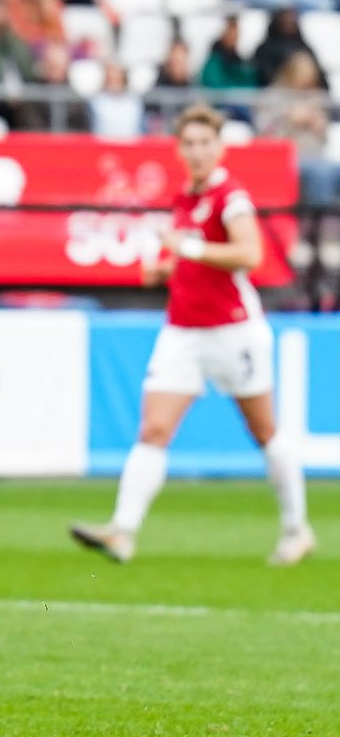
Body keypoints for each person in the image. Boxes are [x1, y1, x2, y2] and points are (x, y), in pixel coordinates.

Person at [72, 105, 312, 568]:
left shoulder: (231, 197)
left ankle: (296, 528)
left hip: (232, 329)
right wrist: (169, 269)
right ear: (178, 150)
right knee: (154, 429)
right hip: (183, 329)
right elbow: (196, 259)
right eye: (190, 143)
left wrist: (189, 248)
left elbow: (250, 254)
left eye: (205, 143)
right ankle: (123, 530)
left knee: (264, 431)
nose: (198, 151)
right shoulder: (186, 197)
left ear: (220, 148)